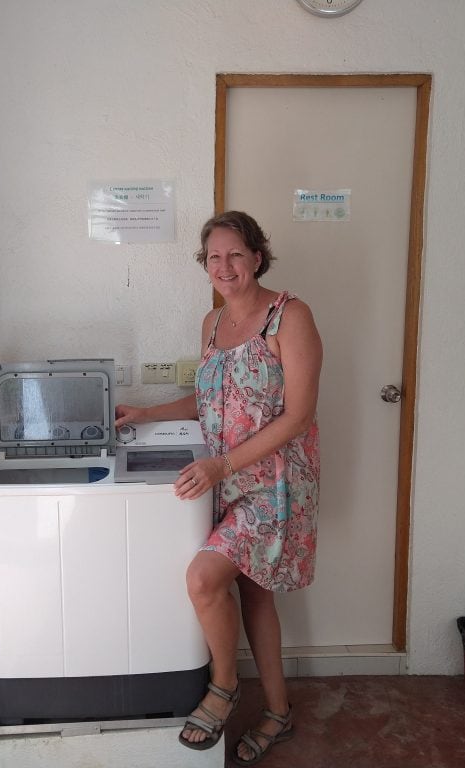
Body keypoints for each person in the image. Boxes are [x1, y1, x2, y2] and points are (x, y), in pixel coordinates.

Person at [115, 211, 322, 765]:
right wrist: (148, 414)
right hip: (227, 478)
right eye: (214, 257)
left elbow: (298, 417)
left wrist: (221, 467)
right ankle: (278, 712)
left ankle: (223, 688)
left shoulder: (290, 316)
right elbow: (210, 400)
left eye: (235, 254)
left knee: (205, 579)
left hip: (274, 484)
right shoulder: (210, 324)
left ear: (257, 257)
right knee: (253, 594)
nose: (225, 266)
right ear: (204, 266)